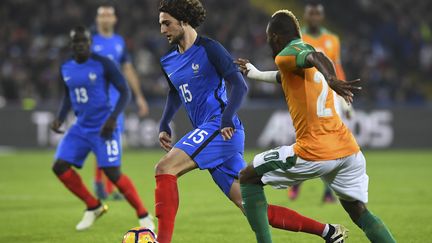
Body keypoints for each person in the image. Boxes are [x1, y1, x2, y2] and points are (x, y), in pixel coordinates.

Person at [155, 1, 347, 243]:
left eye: (167, 23)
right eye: (160, 24)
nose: (162, 30)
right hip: (213, 133)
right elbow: (175, 92)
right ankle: (329, 232)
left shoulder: (210, 49)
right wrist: (164, 122)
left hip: (220, 127)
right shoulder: (168, 61)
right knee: (255, 209)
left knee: (164, 168)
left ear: (183, 21)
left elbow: (239, 84)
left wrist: (226, 118)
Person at [237, 10, 396, 243]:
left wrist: (332, 78)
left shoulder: (291, 52)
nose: (269, 42)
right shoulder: (293, 64)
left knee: (248, 176)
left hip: (315, 151)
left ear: (276, 37)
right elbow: (287, 76)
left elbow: (316, 56)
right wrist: (256, 74)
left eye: (269, 37)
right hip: (348, 150)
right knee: (358, 211)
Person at [50, 26, 154, 231]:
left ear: (90, 43)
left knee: (113, 173)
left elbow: (125, 92)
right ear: (72, 45)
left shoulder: (103, 63)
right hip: (81, 127)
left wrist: (113, 118)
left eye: (84, 42)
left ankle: (143, 214)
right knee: (59, 166)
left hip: (104, 126)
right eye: (76, 42)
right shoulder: (66, 67)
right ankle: (93, 205)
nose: (80, 45)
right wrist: (60, 118)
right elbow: (68, 96)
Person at [288, 0, 354, 202]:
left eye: (318, 13)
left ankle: (327, 192)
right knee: (307, 143)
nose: (314, 17)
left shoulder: (332, 39)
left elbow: (337, 67)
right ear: (306, 16)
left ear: (321, 16)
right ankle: (296, 182)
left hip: (330, 97)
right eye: (311, 13)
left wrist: (344, 94)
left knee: (331, 145)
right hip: (306, 98)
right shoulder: (299, 38)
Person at [92, 4, 150, 200]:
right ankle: (100, 183)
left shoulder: (119, 42)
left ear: (115, 19)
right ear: (97, 19)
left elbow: (128, 69)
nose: (106, 18)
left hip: (117, 99)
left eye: (109, 15)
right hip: (97, 99)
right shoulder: (90, 41)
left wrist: (139, 96)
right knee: (102, 138)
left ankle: (111, 186)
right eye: (103, 15)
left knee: (114, 141)